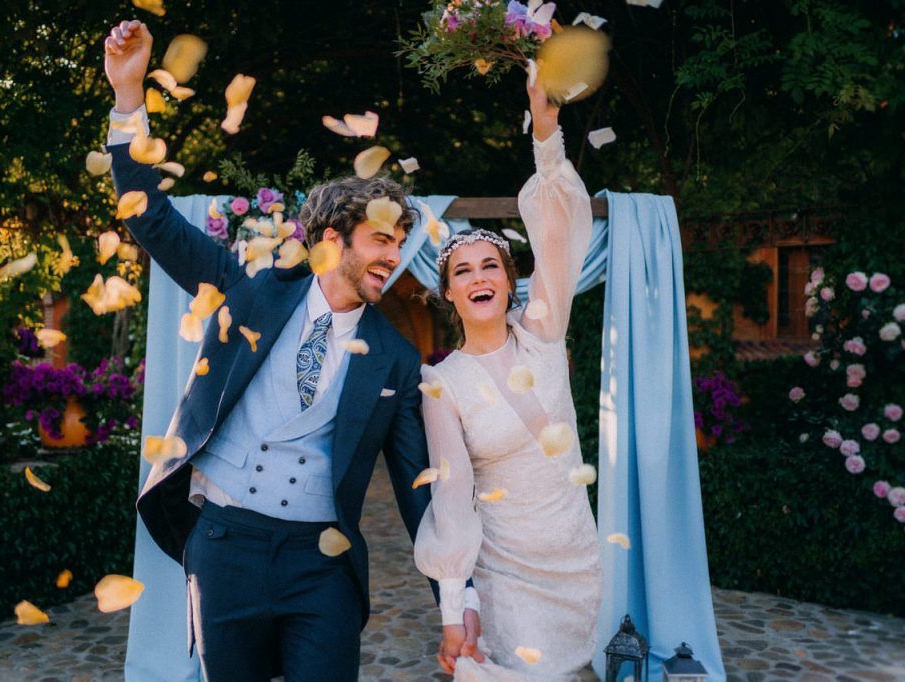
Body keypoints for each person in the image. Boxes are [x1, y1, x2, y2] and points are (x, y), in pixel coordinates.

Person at [101, 19, 480, 681]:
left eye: (399, 245)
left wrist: (457, 601)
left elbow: (419, 489)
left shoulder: (395, 359)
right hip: (224, 547)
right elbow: (150, 218)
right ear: (333, 238)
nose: (393, 258)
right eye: (381, 240)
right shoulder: (248, 293)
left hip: (321, 564)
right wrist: (129, 97)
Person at [414, 75, 602, 680]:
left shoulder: (542, 333)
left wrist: (545, 130)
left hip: (579, 563)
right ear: (449, 293)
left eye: (489, 265)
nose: (478, 277)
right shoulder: (442, 384)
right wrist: (454, 610)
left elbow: (557, 234)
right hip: (507, 575)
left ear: (508, 278)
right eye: (463, 271)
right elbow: (451, 499)